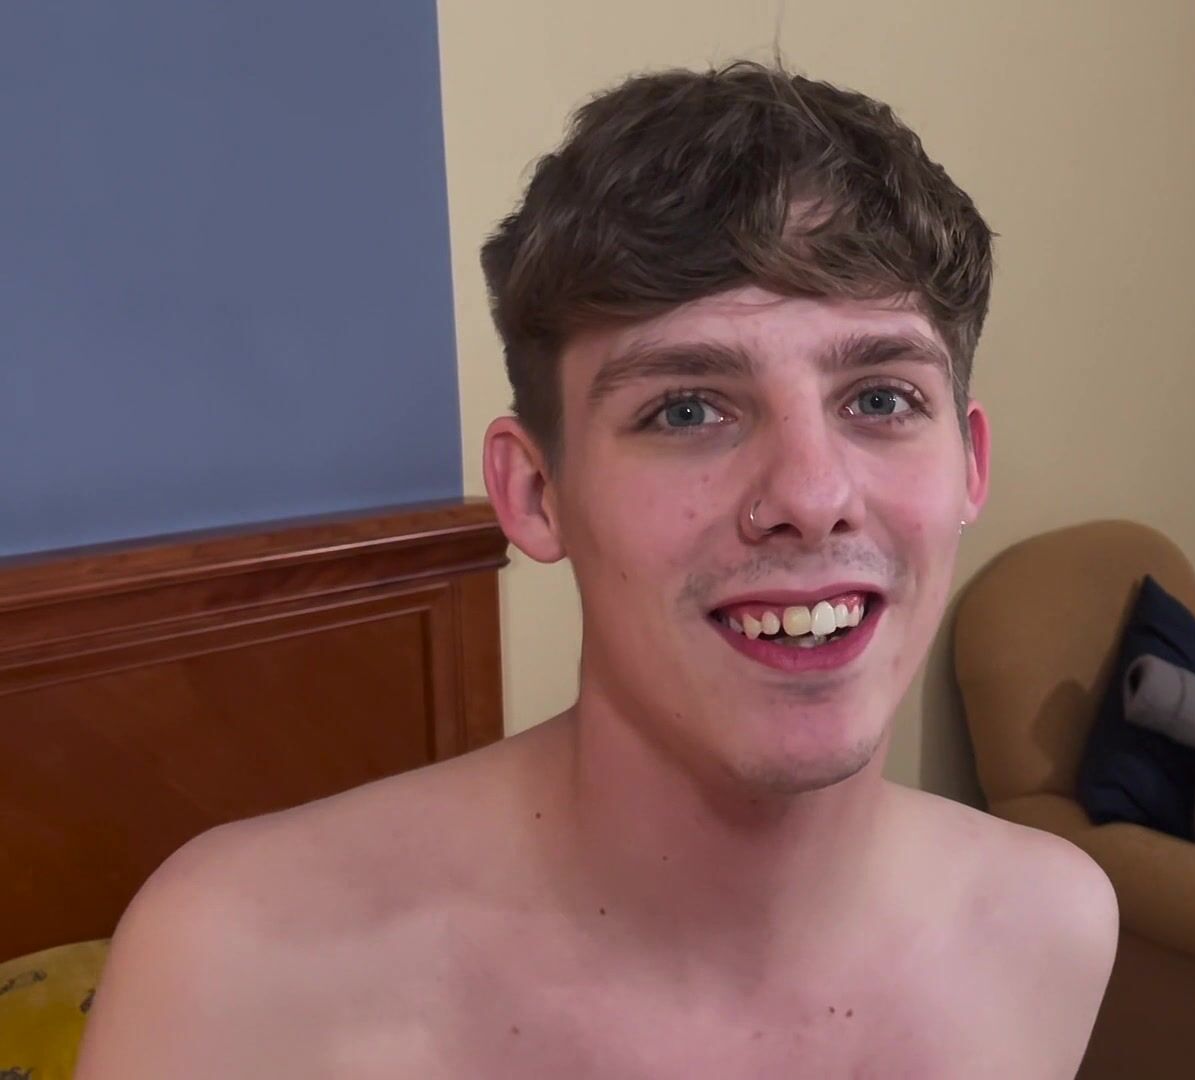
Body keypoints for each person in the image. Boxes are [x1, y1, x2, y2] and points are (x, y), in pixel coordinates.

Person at [76, 60, 1118, 1078]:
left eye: (882, 399)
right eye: (687, 409)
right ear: (536, 494)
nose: (810, 493)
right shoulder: (239, 969)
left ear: (969, 464)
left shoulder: (1050, 928)